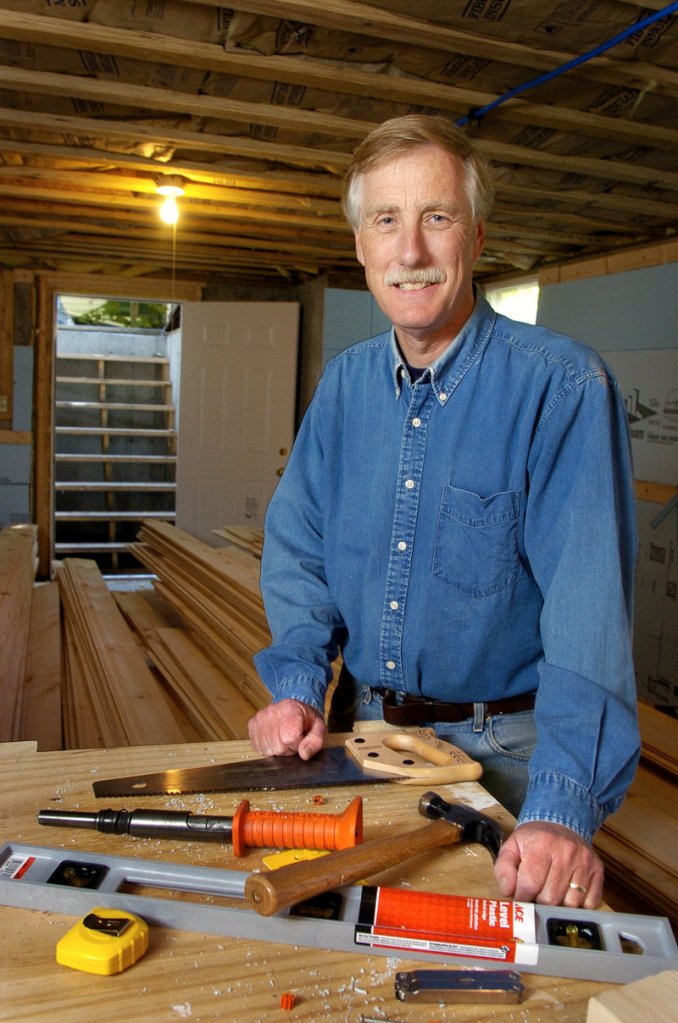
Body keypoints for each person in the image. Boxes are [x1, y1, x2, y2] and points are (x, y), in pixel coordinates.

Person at [248, 114, 640, 910]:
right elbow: (301, 549)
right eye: (385, 220)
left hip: (506, 751)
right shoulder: (345, 387)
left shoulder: (561, 387)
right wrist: (294, 685)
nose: (411, 250)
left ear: (476, 234)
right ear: (360, 245)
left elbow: (587, 614)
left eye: (436, 217)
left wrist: (562, 809)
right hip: (359, 732)